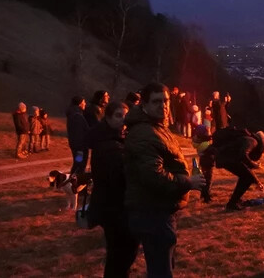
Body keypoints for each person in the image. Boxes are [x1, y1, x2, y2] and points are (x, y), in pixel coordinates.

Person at [123, 83, 205, 278]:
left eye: (166, 101)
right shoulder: (145, 132)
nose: (163, 106)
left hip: (160, 208)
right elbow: (154, 176)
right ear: (144, 104)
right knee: (161, 271)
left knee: (164, 264)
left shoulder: (157, 127)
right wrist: (188, 182)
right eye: (157, 101)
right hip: (152, 211)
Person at [89, 101, 139, 277]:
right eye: (118, 116)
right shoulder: (108, 144)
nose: (123, 120)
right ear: (108, 117)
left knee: (119, 254)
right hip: (113, 207)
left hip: (113, 206)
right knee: (121, 253)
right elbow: (119, 177)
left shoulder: (115, 138)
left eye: (125, 116)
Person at [203, 125, 264, 211]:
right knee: (247, 178)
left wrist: (256, 181)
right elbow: (243, 155)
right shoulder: (253, 141)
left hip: (224, 157)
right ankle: (232, 203)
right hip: (227, 158)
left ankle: (235, 201)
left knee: (246, 176)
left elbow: (245, 166)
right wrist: (254, 165)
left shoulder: (247, 138)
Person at [66, 96, 89, 174]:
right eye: (84, 102)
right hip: (80, 148)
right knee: (79, 164)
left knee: (78, 163)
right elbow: (79, 132)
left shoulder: (74, 114)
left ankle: (73, 180)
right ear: (80, 103)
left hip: (77, 146)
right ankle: (75, 182)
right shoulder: (77, 116)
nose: (85, 104)